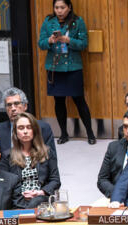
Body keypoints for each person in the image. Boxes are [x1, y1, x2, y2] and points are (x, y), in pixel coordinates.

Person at [38, 0, 96, 145]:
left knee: (79, 100)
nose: (59, 11)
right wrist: (50, 40)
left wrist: (68, 40)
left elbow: (83, 44)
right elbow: (41, 43)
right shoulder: (48, 21)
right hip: (55, 68)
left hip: (73, 67)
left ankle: (90, 133)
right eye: (56, 7)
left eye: (62, 7)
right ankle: (64, 134)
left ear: (69, 8)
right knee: (59, 101)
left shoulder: (78, 21)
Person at [0, 112, 61, 208]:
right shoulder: (7, 156)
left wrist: (40, 192)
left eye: (29, 127)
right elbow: (4, 184)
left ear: (34, 130)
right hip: (17, 200)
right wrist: (20, 195)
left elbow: (55, 180)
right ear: (15, 132)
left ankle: (27, 214)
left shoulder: (47, 152)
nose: (25, 131)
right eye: (21, 128)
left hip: (41, 199)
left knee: (36, 201)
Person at [0, 87, 56, 154]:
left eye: (16, 103)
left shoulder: (44, 128)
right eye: (9, 105)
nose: (13, 108)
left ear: (25, 106)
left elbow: (51, 159)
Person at [97, 109, 128, 198]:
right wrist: (117, 194)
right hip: (118, 199)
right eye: (125, 126)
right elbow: (102, 180)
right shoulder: (114, 147)